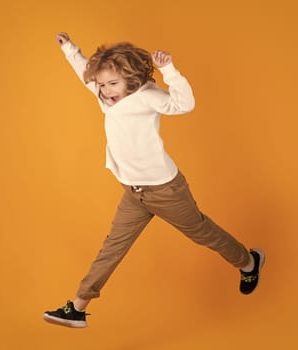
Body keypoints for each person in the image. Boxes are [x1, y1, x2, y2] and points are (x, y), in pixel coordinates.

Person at [43, 32, 265, 328]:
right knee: (112, 248)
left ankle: (249, 261)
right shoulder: (105, 96)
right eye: (103, 84)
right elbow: (86, 75)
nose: (107, 91)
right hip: (134, 192)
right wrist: (70, 49)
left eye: (113, 84)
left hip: (165, 190)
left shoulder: (147, 95)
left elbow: (183, 104)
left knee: (202, 233)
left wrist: (169, 71)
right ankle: (78, 308)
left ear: (130, 78)